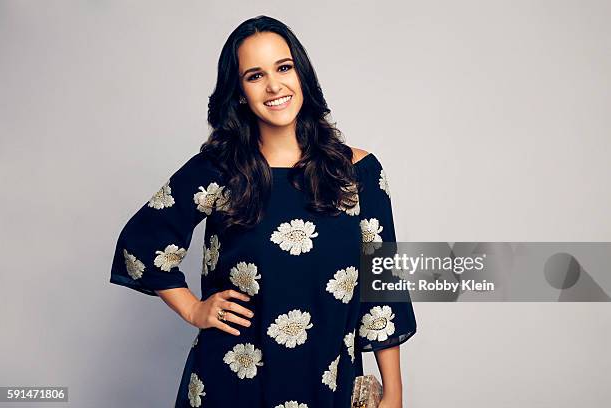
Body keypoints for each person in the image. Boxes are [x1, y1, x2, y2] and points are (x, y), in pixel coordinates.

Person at [109, 15, 417, 408]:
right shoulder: (219, 170)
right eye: (255, 76)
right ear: (239, 91)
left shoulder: (358, 173)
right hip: (233, 381)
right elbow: (142, 241)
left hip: (328, 382)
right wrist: (192, 308)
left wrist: (394, 392)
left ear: (301, 74)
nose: (274, 85)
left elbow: (383, 288)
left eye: (283, 68)